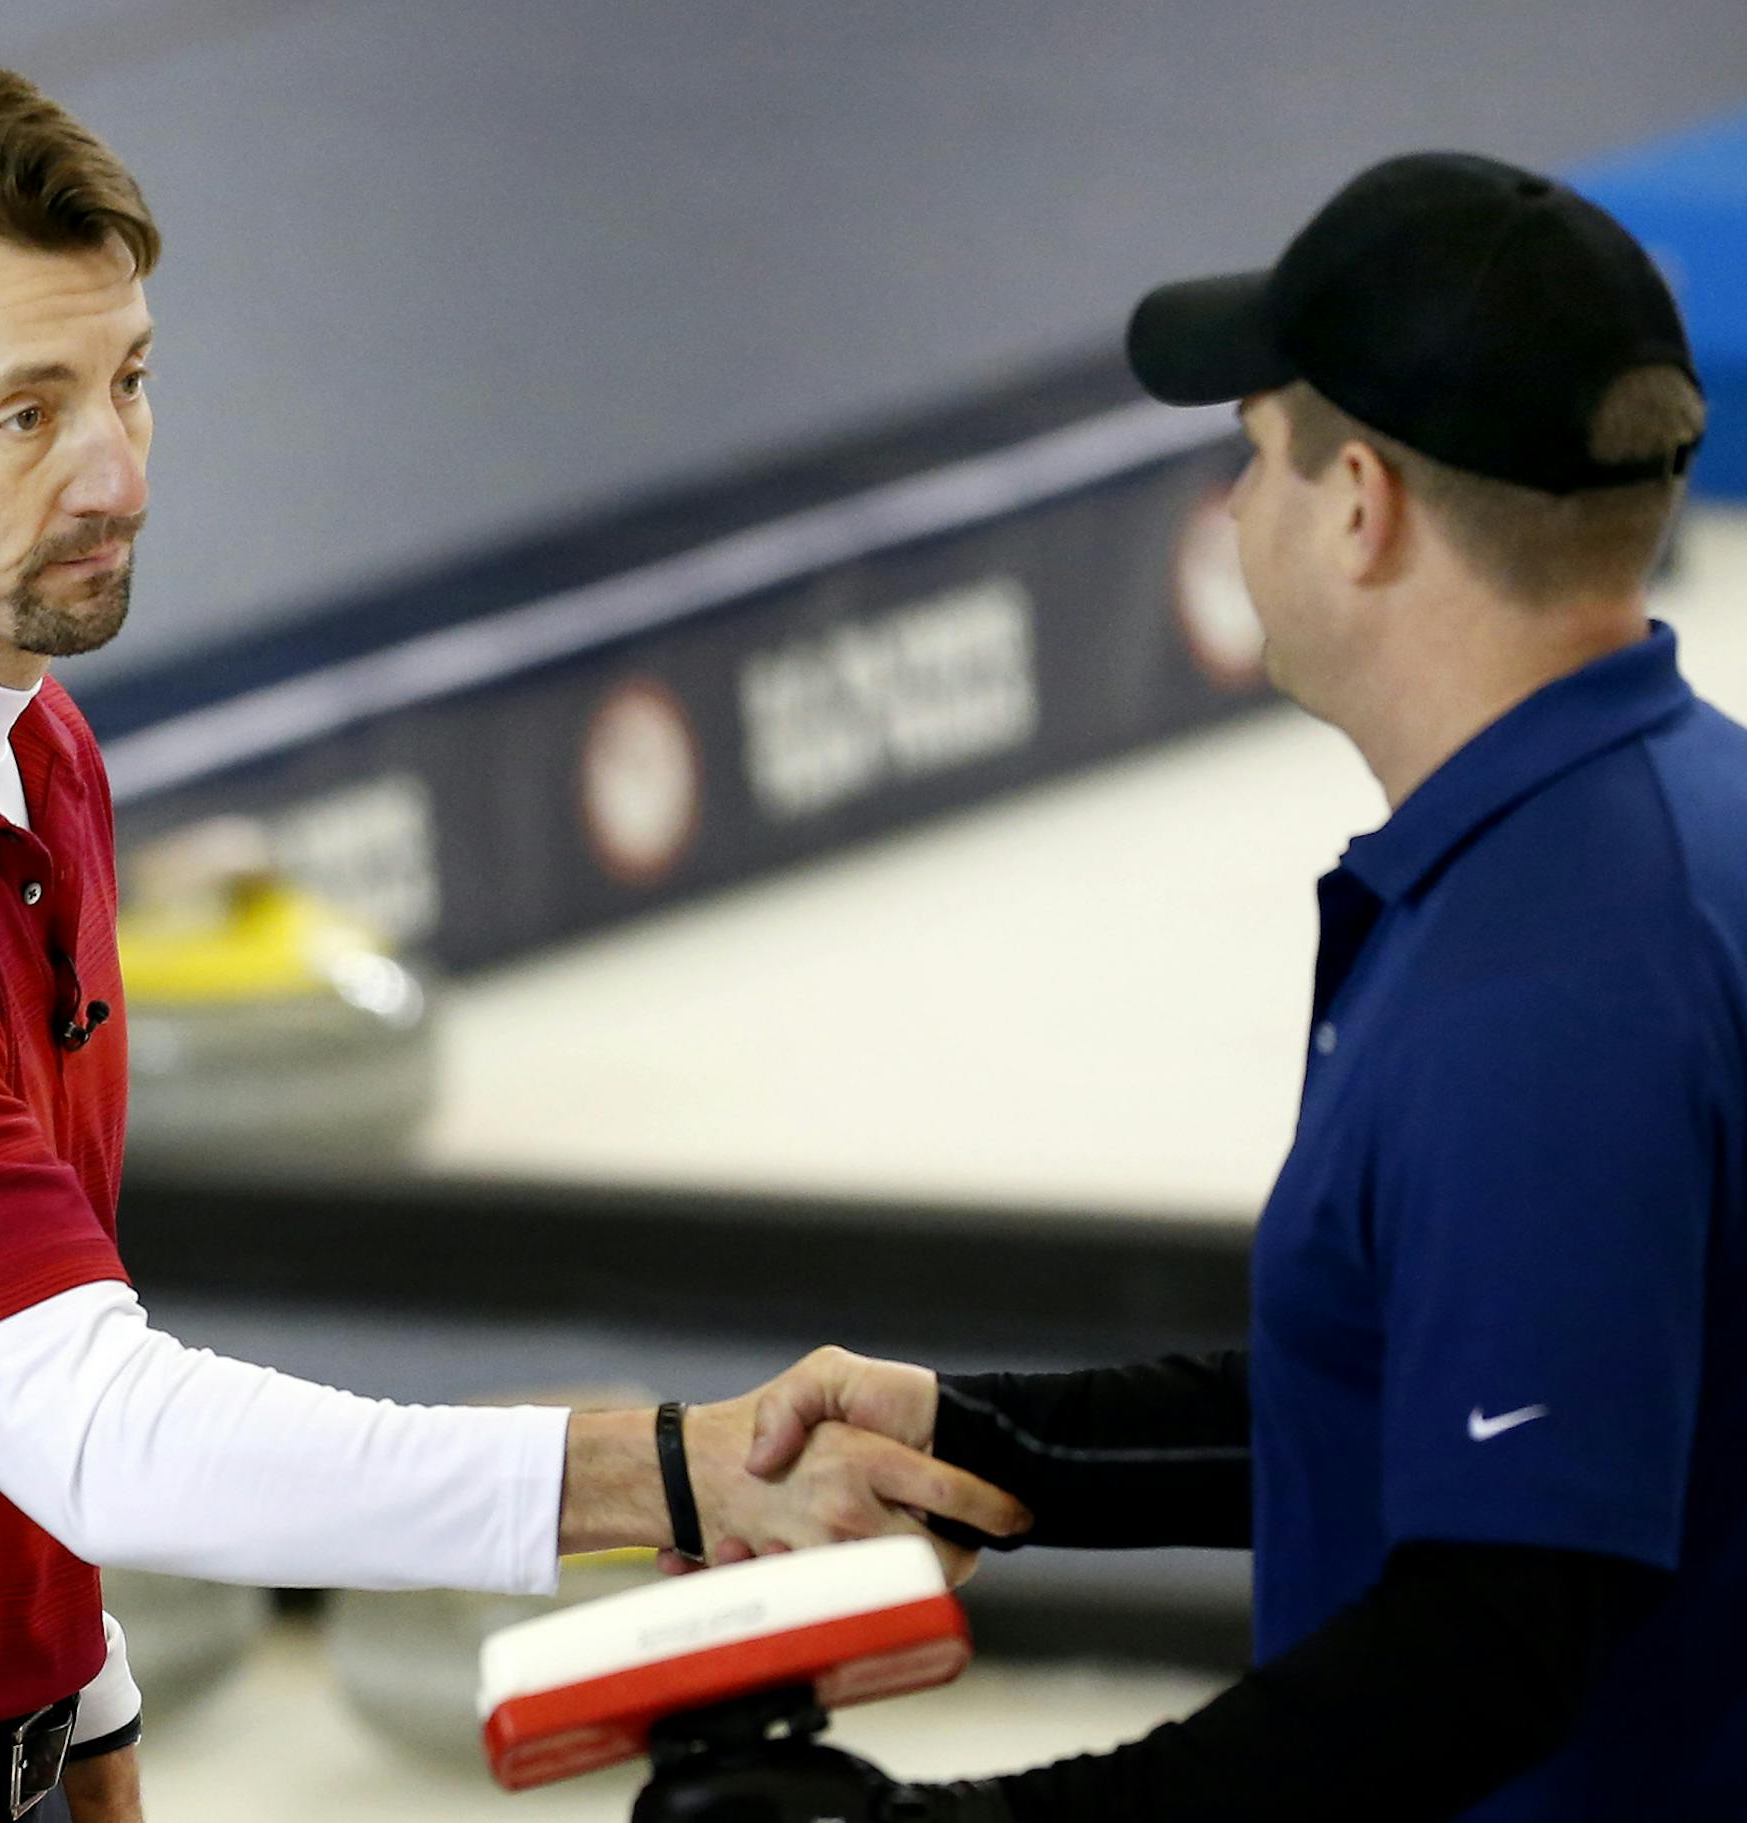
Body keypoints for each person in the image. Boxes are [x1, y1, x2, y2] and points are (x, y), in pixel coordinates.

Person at [0, 38, 1025, 1823]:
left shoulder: (28, 743)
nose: (115, 471)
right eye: (25, 413)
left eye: (132, 379)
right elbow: (97, 1428)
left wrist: (84, 1715)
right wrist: (672, 1469)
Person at [708, 152, 1740, 1820]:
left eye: (1252, 451)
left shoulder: (1551, 983)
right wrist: (1003, 1445)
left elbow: (1498, 1634)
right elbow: (1472, 1392)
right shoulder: (1657, 838)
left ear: (1358, 507)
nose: (1238, 507)